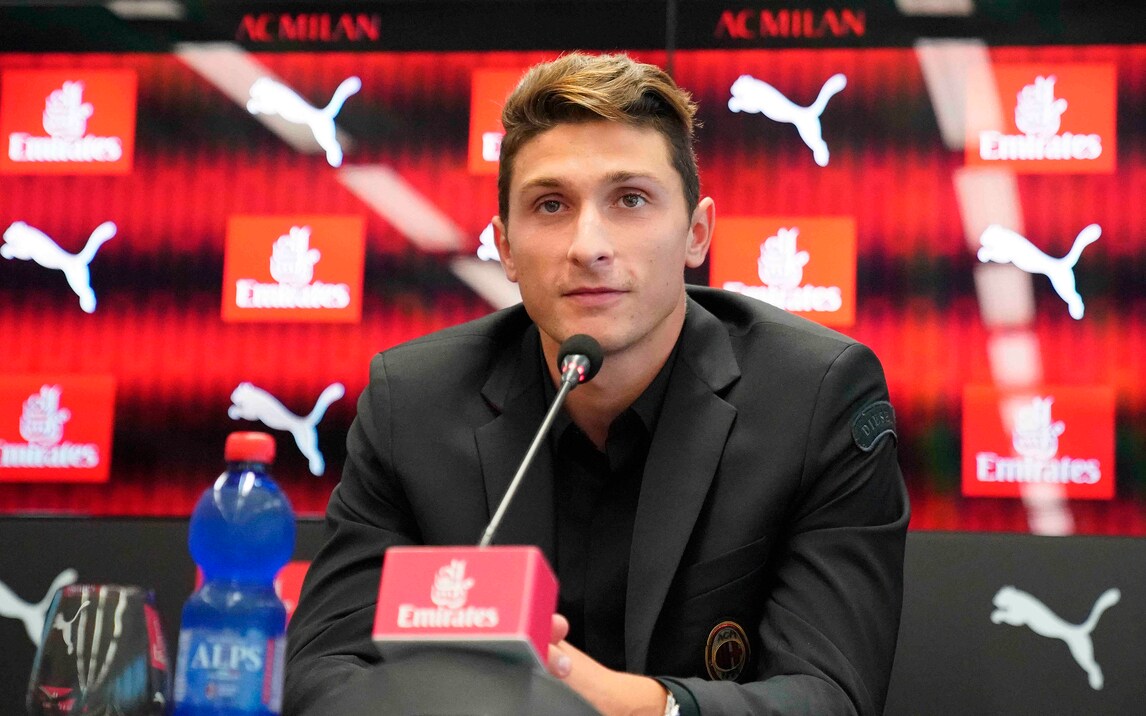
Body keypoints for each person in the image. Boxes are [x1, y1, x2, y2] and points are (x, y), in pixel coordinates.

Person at [284, 52, 908, 716]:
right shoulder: (413, 403)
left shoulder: (814, 399)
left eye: (630, 199)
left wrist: (622, 705)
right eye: (551, 205)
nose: (589, 245)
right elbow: (321, 674)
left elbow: (830, 696)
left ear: (696, 234)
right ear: (505, 248)